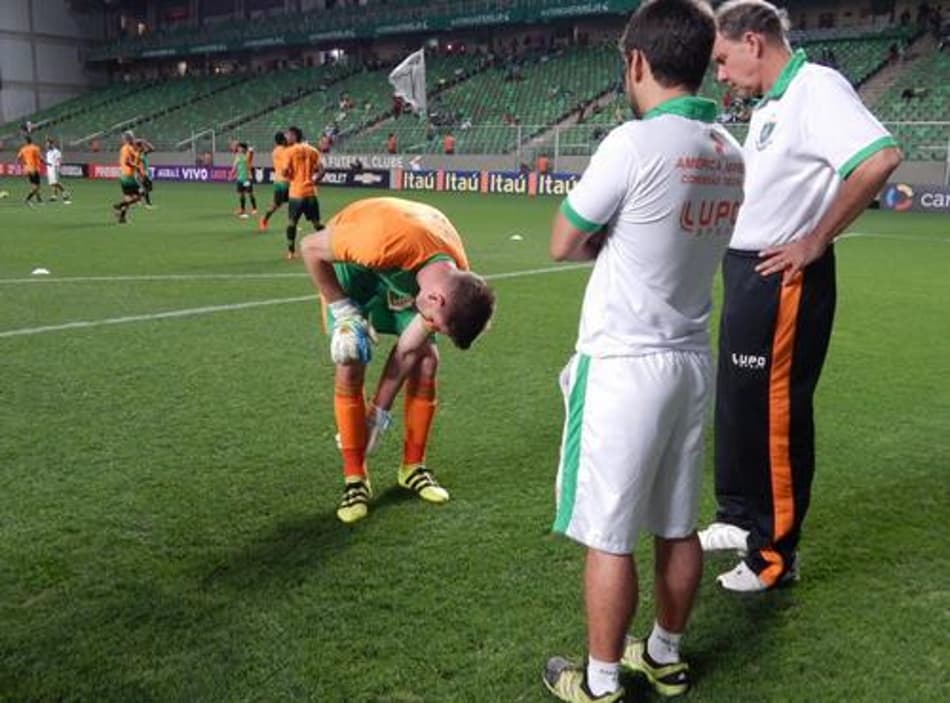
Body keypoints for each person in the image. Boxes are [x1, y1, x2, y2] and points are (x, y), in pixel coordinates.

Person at [542, 2, 744, 702]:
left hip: (625, 360)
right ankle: (663, 654)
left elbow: (563, 240)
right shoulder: (729, 149)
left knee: (609, 530)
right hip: (691, 358)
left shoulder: (631, 144)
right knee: (677, 523)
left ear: (635, 62)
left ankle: (598, 682)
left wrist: (614, 238)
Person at [699, 0, 902, 592]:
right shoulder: (772, 104)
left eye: (723, 59)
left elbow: (881, 157)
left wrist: (815, 240)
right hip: (746, 271)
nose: (720, 73)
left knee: (776, 413)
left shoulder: (817, 88)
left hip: (782, 279)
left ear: (754, 42)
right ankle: (738, 518)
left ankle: (774, 555)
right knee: (737, 401)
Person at [299, 197, 495, 524]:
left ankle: (412, 467)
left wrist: (377, 415)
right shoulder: (378, 240)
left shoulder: (455, 276)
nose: (431, 325)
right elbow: (308, 247)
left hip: (403, 266)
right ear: (435, 299)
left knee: (426, 360)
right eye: (435, 322)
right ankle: (355, 479)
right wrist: (343, 311)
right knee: (351, 355)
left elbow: (407, 350)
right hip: (353, 263)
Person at [283, 125, 324, 260]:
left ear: (294, 136)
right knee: (317, 224)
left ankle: (291, 251)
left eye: (288, 135)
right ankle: (329, 247)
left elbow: (284, 172)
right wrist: (314, 181)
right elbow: (322, 170)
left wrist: (289, 178)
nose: (286, 137)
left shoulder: (290, 151)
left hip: (296, 193)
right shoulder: (313, 150)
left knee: (292, 223)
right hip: (311, 193)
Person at [259, 131, 290, 232]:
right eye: (285, 138)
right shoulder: (282, 150)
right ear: (282, 140)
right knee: (277, 204)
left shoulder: (276, 150)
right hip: (282, 182)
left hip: (284, 181)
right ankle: (264, 219)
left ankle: (291, 224)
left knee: (290, 203)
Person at [112, 131, 141, 223]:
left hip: (124, 176)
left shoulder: (125, 148)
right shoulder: (128, 148)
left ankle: (122, 217)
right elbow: (128, 162)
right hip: (128, 176)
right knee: (138, 196)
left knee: (128, 197)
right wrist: (136, 166)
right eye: (132, 137)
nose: (134, 139)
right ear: (130, 138)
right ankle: (120, 205)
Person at [230, 142, 257, 219]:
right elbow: (235, 165)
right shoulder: (237, 156)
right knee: (241, 195)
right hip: (240, 179)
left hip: (247, 178)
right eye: (238, 147)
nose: (238, 148)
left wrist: (251, 150)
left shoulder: (247, 155)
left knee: (250, 194)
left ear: (244, 149)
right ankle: (242, 209)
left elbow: (251, 155)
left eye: (240, 147)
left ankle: (254, 209)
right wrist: (232, 173)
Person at [17, 135, 43, 206]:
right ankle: (27, 199)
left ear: (26, 142)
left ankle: (39, 199)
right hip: (34, 169)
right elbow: (40, 157)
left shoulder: (23, 149)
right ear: (31, 140)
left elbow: (18, 157)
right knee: (37, 186)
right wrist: (46, 163)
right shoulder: (35, 148)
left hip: (27, 169)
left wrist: (24, 163)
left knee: (34, 185)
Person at [44, 138, 71, 204]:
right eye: (46, 144)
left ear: (51, 144)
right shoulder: (48, 152)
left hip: (55, 168)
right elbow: (48, 161)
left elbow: (59, 160)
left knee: (55, 182)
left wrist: (58, 168)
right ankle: (54, 196)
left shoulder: (57, 152)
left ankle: (65, 192)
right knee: (52, 183)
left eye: (47, 144)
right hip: (49, 169)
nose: (46, 145)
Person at [135, 137, 155, 208]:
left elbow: (152, 149)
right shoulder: (137, 154)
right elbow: (136, 165)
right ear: (139, 146)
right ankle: (146, 203)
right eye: (142, 145)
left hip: (144, 173)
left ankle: (140, 200)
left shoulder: (143, 153)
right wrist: (140, 174)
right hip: (141, 173)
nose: (144, 147)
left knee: (147, 188)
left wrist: (146, 142)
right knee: (148, 188)